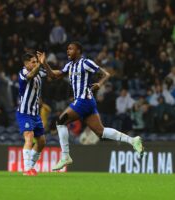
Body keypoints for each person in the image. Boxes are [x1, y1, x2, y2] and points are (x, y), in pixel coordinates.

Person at [37, 41, 144, 171]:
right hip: (86, 102)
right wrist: (44, 63)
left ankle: (65, 156)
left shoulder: (86, 63)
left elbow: (106, 74)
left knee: (60, 122)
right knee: (101, 132)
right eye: (67, 49)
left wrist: (100, 84)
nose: (68, 51)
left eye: (71, 49)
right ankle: (133, 140)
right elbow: (53, 76)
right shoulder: (70, 66)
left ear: (79, 51)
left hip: (84, 99)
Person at [16, 52, 47, 176]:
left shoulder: (38, 71)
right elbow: (30, 76)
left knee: (42, 142)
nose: (35, 64)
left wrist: (67, 71)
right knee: (29, 136)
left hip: (35, 113)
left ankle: (31, 167)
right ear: (26, 63)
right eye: (33, 62)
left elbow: (50, 73)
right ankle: (27, 168)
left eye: (36, 61)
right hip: (24, 112)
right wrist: (40, 63)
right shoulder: (23, 72)